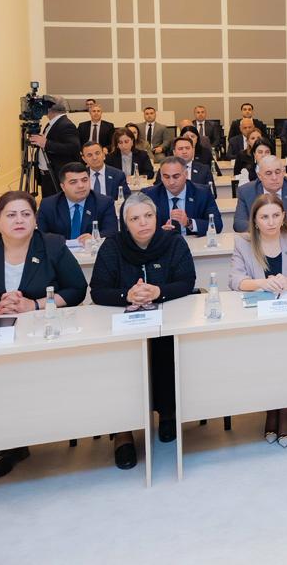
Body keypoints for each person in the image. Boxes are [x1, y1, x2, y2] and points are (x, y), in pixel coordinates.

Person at [0, 190, 87, 479]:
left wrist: (33, 305)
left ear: (35, 219)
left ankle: (12, 441)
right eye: (11, 215)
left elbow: (77, 290)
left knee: (21, 373)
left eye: (25, 214)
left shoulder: (52, 246)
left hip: (42, 334)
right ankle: (4, 438)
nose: (19, 220)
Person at [90, 192, 195, 467]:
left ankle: (168, 413)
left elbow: (187, 282)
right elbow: (98, 290)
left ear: (157, 218)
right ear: (125, 223)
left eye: (148, 216)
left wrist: (159, 291)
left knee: (167, 348)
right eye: (135, 218)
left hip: (166, 322)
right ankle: (123, 431)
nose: (143, 223)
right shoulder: (112, 246)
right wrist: (126, 295)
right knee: (120, 360)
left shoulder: (173, 242)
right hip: (124, 326)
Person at [229, 193, 287, 447]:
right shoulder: (243, 243)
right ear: (255, 221)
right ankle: (271, 409)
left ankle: (286, 410)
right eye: (264, 217)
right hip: (258, 319)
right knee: (268, 354)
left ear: (283, 216)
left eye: (276, 215)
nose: (271, 222)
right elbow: (235, 281)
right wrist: (262, 283)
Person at [36, 163, 118, 241]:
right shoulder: (48, 205)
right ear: (63, 187)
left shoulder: (104, 203)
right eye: (73, 182)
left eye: (84, 180)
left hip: (92, 249)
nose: (81, 186)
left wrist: (95, 237)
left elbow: (112, 232)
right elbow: (40, 236)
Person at [234, 155, 287, 233]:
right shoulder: (246, 191)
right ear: (259, 176)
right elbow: (239, 223)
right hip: (260, 239)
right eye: (268, 173)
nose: (274, 177)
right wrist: (263, 229)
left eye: (278, 172)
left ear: (284, 172)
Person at [146, 156, 223, 236]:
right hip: (164, 243)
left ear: (186, 174)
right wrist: (159, 232)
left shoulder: (202, 193)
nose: (171, 182)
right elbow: (140, 228)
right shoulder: (149, 196)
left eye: (176, 176)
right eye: (166, 177)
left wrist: (189, 223)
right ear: (161, 177)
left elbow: (217, 225)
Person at [28, 101, 81, 197]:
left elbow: (73, 147)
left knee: (56, 202)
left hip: (55, 175)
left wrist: (46, 143)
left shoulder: (66, 124)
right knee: (49, 202)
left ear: (49, 109)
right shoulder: (52, 123)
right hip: (47, 175)